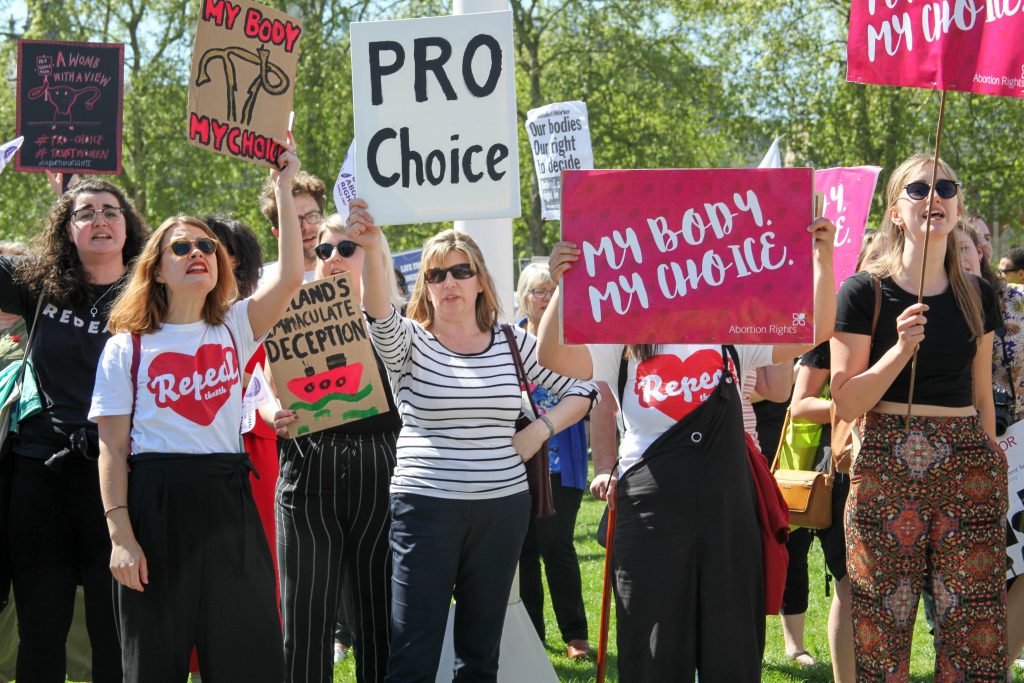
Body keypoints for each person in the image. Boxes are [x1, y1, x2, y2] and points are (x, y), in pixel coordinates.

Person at [536, 217, 837, 681]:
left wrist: (822, 256)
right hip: (648, 515)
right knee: (652, 648)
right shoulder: (622, 334)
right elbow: (552, 357)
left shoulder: (733, 329)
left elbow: (813, 329)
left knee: (731, 647)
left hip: (727, 513)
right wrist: (562, 287)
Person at [345, 199, 599, 682]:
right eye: (437, 275)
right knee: (414, 649)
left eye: (461, 271)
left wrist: (539, 431)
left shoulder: (512, 341)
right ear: (425, 285)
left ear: (480, 279)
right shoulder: (411, 342)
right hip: (425, 510)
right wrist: (374, 248)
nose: (449, 283)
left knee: (481, 652)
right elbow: (379, 315)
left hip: (501, 511)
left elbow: (583, 388)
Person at [89, 144, 304, 682]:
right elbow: (111, 448)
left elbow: (293, 279)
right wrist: (121, 536)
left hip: (228, 498)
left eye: (206, 245)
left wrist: (284, 182)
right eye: (180, 247)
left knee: (246, 655)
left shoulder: (233, 326)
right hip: (155, 502)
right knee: (155, 660)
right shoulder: (128, 346)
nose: (197, 253)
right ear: (156, 269)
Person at [831, 154, 1005, 680]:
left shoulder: (978, 295)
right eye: (920, 188)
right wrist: (900, 350)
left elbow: (982, 397)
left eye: (947, 187)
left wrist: (990, 452)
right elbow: (846, 402)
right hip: (886, 463)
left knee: (973, 629)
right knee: (881, 628)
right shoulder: (863, 291)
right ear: (895, 210)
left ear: (958, 206)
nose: (936, 196)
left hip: (968, 467)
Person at [0, 179, 148, 683]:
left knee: (114, 630)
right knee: (41, 628)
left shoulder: (154, 294)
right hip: (39, 472)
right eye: (86, 213)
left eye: (111, 211)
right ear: (68, 230)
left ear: (128, 226)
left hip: (121, 477)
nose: (100, 220)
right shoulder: (37, 285)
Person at [267, 213, 403, 683]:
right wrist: (271, 414)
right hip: (306, 473)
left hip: (379, 471)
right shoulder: (288, 312)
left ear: (374, 254)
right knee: (305, 620)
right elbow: (260, 390)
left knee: (378, 615)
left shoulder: (395, 322)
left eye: (348, 248)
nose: (334, 259)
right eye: (324, 250)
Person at [514, 262, 593, 660]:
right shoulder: (509, 343)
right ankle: (532, 636)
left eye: (550, 290)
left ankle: (575, 635)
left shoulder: (573, 337)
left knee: (555, 543)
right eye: (536, 291)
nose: (544, 297)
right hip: (518, 462)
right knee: (523, 548)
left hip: (563, 463)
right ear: (523, 298)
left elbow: (591, 393)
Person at [258, 170, 327, 286]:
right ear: (277, 234)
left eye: (313, 216)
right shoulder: (260, 284)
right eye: (294, 222)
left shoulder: (353, 272)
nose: (306, 227)